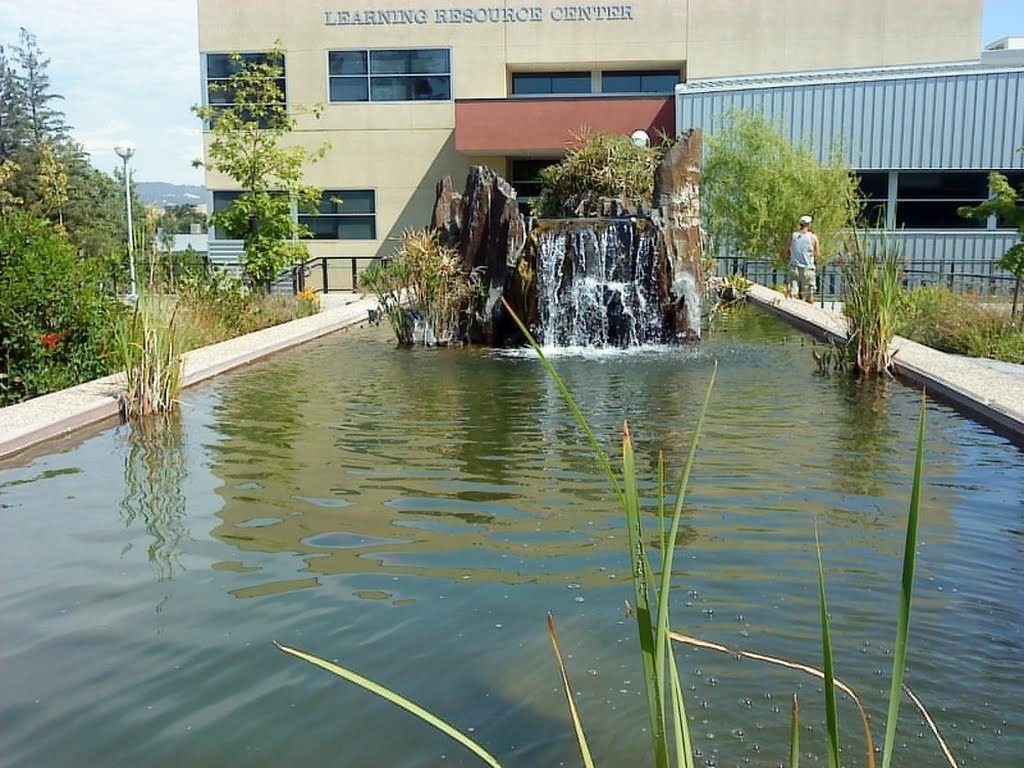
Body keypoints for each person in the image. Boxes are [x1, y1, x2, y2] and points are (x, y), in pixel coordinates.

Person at [784, 214, 820, 303]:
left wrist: (791, 257)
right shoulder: (813, 237)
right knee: (808, 294)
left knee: (793, 292)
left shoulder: (792, 236)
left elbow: (785, 251)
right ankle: (809, 313)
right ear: (809, 224)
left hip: (794, 267)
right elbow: (817, 254)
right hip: (807, 268)